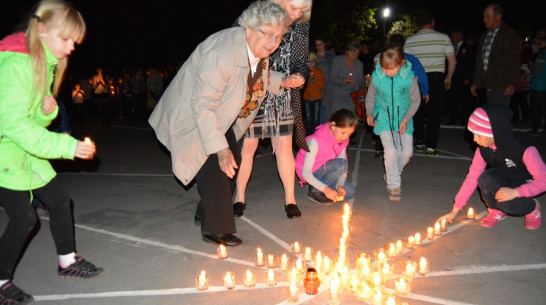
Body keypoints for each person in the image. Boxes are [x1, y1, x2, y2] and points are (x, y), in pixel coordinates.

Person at [148, 1, 301, 246]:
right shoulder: (223, 51)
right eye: (269, 34)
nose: (274, 42)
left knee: (233, 163)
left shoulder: (254, 48)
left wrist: (282, 81)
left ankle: (206, 210)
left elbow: (253, 76)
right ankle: (216, 228)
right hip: (194, 113)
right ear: (249, 28)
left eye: (279, 37)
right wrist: (220, 149)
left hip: (218, 114)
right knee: (219, 163)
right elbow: (203, 104)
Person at [0, 1, 102, 303]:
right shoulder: (15, 63)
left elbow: (31, 118)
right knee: (23, 219)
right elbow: (14, 125)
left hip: (24, 152)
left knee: (59, 200)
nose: (71, 47)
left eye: (75, 41)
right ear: (41, 29)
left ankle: (67, 262)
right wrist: (68, 146)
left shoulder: (45, 61)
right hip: (4, 153)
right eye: (66, 38)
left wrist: (47, 112)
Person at [233, 0, 312, 220]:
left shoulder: (301, 25)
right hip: (255, 90)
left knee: (284, 146)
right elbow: (241, 55)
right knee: (248, 147)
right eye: (294, 8)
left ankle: (290, 200)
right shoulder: (257, 14)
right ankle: (239, 197)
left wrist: (300, 75)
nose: (297, 15)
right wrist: (281, 79)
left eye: (302, 11)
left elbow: (301, 60)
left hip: (283, 96)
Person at [437, 105, 543, 229]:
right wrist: (455, 210)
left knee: (507, 204)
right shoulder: (482, 150)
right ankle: (495, 211)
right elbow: (471, 179)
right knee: (485, 178)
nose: (474, 139)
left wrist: (516, 192)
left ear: (495, 133)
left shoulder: (524, 149)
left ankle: (532, 207)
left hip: (524, 182)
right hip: (506, 176)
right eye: (473, 134)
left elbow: (543, 180)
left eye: (478, 135)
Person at [365, 43, 421, 201]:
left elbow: (415, 101)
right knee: (390, 152)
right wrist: (369, 114)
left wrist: (406, 119)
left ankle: (390, 175)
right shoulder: (377, 77)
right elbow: (370, 98)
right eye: (384, 68)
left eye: (392, 68)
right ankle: (394, 185)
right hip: (383, 118)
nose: (388, 72)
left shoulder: (409, 78)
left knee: (406, 153)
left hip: (404, 119)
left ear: (401, 63)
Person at [405, 10, 456, 157]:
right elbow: (452, 61)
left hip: (416, 79)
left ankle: (419, 142)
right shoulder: (444, 38)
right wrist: (449, 77)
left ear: (419, 24)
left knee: (417, 111)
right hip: (436, 78)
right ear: (433, 22)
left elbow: (406, 62)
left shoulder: (410, 40)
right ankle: (431, 147)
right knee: (435, 113)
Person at [295, 109, 357, 204]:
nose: (345, 137)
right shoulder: (315, 141)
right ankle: (315, 190)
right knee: (341, 165)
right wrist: (326, 189)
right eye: (343, 132)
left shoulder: (342, 140)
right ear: (333, 125)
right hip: (311, 172)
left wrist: (339, 185)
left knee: (350, 192)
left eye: (349, 134)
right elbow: (305, 173)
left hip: (325, 170)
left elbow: (343, 166)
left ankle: (318, 186)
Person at [470, 4, 521, 106]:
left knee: (498, 117)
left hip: (501, 84)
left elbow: (514, 62)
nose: (484, 20)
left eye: (487, 16)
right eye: (484, 16)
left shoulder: (509, 35)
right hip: (486, 84)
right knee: (488, 117)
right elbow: (480, 61)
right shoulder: (485, 35)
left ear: (498, 17)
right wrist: (476, 81)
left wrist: (511, 84)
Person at [323, 40, 365, 118]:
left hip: (350, 99)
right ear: (346, 51)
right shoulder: (337, 61)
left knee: (348, 121)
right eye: (352, 52)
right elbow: (332, 78)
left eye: (356, 54)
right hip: (335, 98)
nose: (354, 56)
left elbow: (361, 82)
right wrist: (344, 81)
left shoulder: (359, 64)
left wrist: (356, 83)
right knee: (335, 121)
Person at [446, 29, 476, 125]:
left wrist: (468, 77)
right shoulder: (450, 47)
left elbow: (471, 63)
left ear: (459, 36)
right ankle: (453, 119)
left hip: (463, 78)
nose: (451, 38)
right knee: (453, 99)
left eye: (453, 36)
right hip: (453, 77)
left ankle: (465, 119)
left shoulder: (468, 47)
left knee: (464, 99)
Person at [303, 52, 325, 135]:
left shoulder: (319, 72)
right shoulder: (304, 72)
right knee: (308, 118)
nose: (310, 63)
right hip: (306, 98)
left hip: (316, 98)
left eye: (312, 61)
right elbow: (302, 86)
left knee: (316, 118)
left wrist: (315, 80)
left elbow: (322, 85)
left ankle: (316, 135)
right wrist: (308, 81)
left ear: (315, 62)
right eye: (309, 61)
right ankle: (308, 135)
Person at [314, 36, 335, 124]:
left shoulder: (330, 56)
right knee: (318, 109)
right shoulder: (313, 56)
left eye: (321, 44)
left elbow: (334, 70)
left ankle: (327, 127)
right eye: (317, 44)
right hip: (316, 86)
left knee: (326, 108)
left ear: (325, 44)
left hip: (328, 86)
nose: (319, 46)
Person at [529, 37, 546, 135]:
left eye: (540, 44)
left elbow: (537, 70)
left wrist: (531, 65)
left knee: (537, 109)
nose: (538, 46)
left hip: (539, 86)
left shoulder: (541, 56)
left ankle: (535, 129)